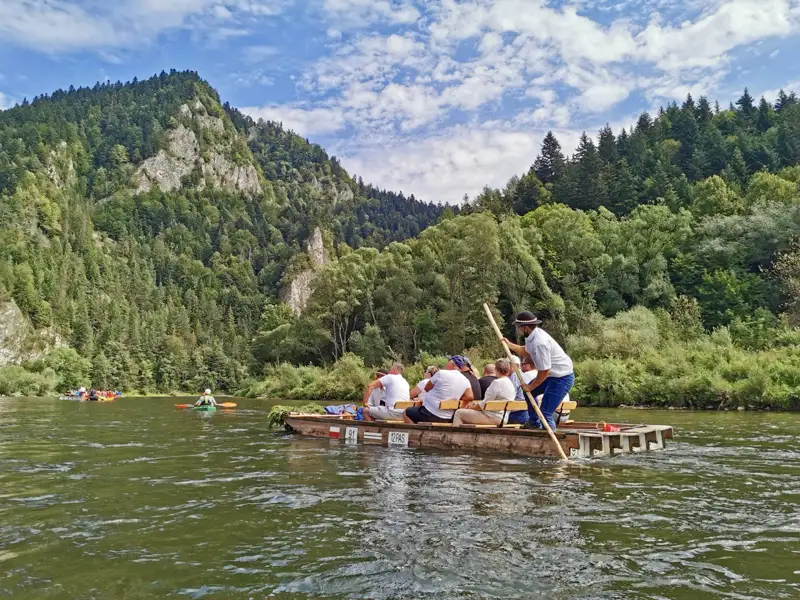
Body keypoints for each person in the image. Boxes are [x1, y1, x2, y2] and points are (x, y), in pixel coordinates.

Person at [503, 311, 575, 431]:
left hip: (562, 378)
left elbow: (544, 371)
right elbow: (526, 351)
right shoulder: (532, 336)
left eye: (519, 327)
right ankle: (534, 423)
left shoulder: (539, 343)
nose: (518, 330)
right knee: (527, 392)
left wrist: (531, 387)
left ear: (525, 328)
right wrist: (510, 345)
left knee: (545, 412)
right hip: (552, 376)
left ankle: (549, 437)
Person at [405, 357, 473, 424]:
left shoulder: (441, 373)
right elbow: (470, 397)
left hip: (430, 412)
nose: (446, 363)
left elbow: (426, 388)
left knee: (406, 412)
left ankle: (416, 433)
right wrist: (457, 396)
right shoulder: (465, 380)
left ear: (452, 364)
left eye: (448, 361)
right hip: (448, 417)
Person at [453, 358, 516, 426]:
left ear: (496, 369)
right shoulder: (510, 383)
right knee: (467, 415)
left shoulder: (496, 383)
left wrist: (471, 407)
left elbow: (484, 405)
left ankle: (454, 436)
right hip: (504, 418)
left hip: (492, 417)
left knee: (459, 413)